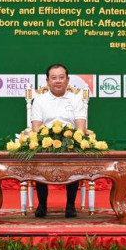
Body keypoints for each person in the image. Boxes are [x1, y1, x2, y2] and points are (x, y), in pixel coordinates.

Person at [30, 63, 87, 218]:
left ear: (67, 80)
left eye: (61, 77)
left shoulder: (76, 99)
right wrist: (46, 141)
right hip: (46, 144)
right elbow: (36, 129)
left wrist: (71, 140)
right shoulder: (39, 100)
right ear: (47, 81)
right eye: (54, 78)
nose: (58, 81)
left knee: (73, 158)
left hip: (70, 143)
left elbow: (81, 128)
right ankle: (42, 204)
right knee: (40, 158)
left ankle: (70, 204)